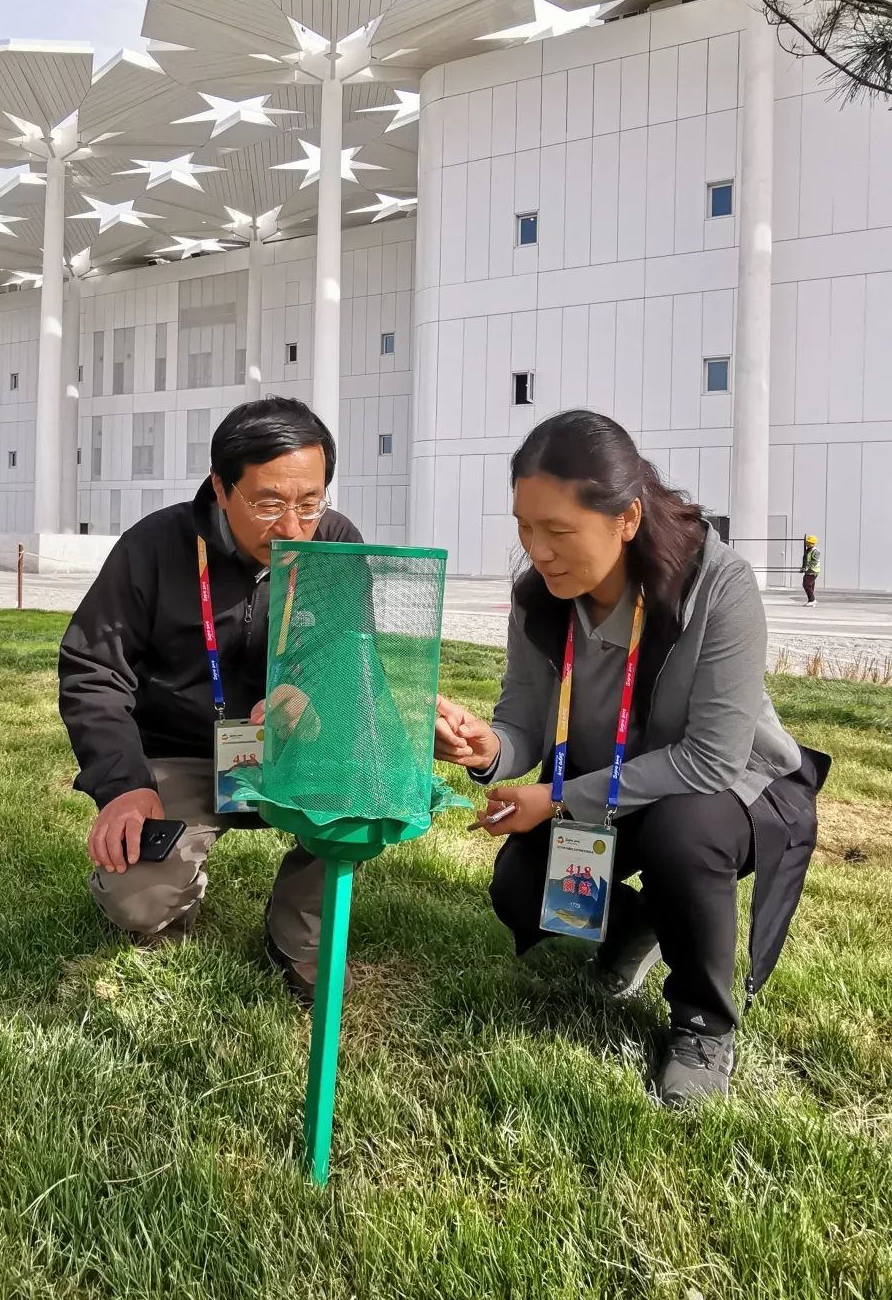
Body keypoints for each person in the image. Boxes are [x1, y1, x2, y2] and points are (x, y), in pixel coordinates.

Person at [434, 411, 830, 1106]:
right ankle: (637, 925)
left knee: (685, 836)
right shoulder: (538, 599)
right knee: (520, 889)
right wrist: (488, 746)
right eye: (526, 527)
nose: (539, 550)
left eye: (558, 531)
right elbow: (523, 717)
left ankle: (704, 1023)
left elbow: (710, 760)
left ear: (626, 519)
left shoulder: (718, 585)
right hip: (605, 788)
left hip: (722, 793)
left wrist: (557, 801)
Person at [58, 397, 362, 1002]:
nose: (294, 527)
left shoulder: (337, 543)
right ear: (221, 488)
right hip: (181, 753)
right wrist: (122, 785)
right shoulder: (157, 545)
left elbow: (352, 664)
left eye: (310, 502)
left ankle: (299, 929)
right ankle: (169, 901)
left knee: (366, 788)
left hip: (292, 754)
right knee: (138, 903)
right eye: (269, 503)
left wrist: (314, 697)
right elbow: (93, 668)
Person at [801, 535, 820, 604]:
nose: (807, 544)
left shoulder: (815, 551)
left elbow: (814, 561)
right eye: (807, 542)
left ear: (812, 543)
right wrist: (803, 568)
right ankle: (811, 600)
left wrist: (807, 567)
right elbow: (805, 560)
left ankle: (812, 600)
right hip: (809, 571)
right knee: (810, 585)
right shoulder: (808, 550)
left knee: (806, 584)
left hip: (813, 571)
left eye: (808, 542)